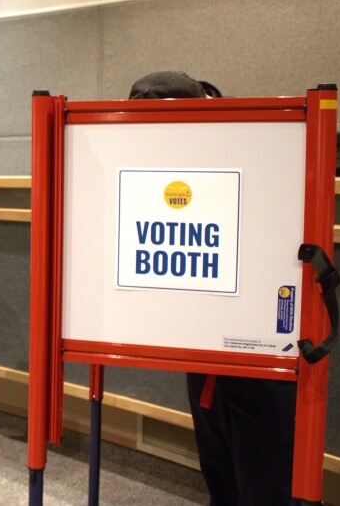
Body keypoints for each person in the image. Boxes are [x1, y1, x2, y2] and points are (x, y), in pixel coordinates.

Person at [129, 71, 300, 506]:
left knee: (267, 482)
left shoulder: (260, 152)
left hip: (262, 352)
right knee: (219, 470)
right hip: (204, 352)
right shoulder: (161, 173)